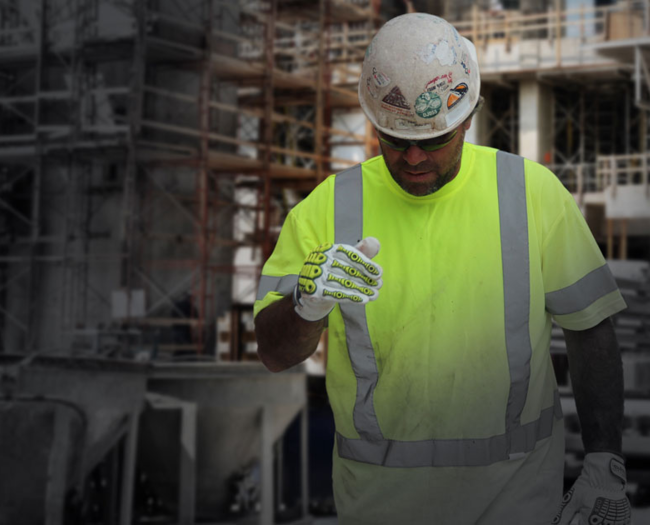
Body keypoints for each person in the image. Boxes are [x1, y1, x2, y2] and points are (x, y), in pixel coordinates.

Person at [254, 13, 630, 525]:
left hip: (514, 502)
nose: (412, 158)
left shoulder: (531, 195)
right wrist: (306, 306)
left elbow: (591, 328)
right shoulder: (326, 210)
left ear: (468, 115)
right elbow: (274, 354)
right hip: (378, 507)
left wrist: (604, 460)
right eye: (392, 138)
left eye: (432, 140)